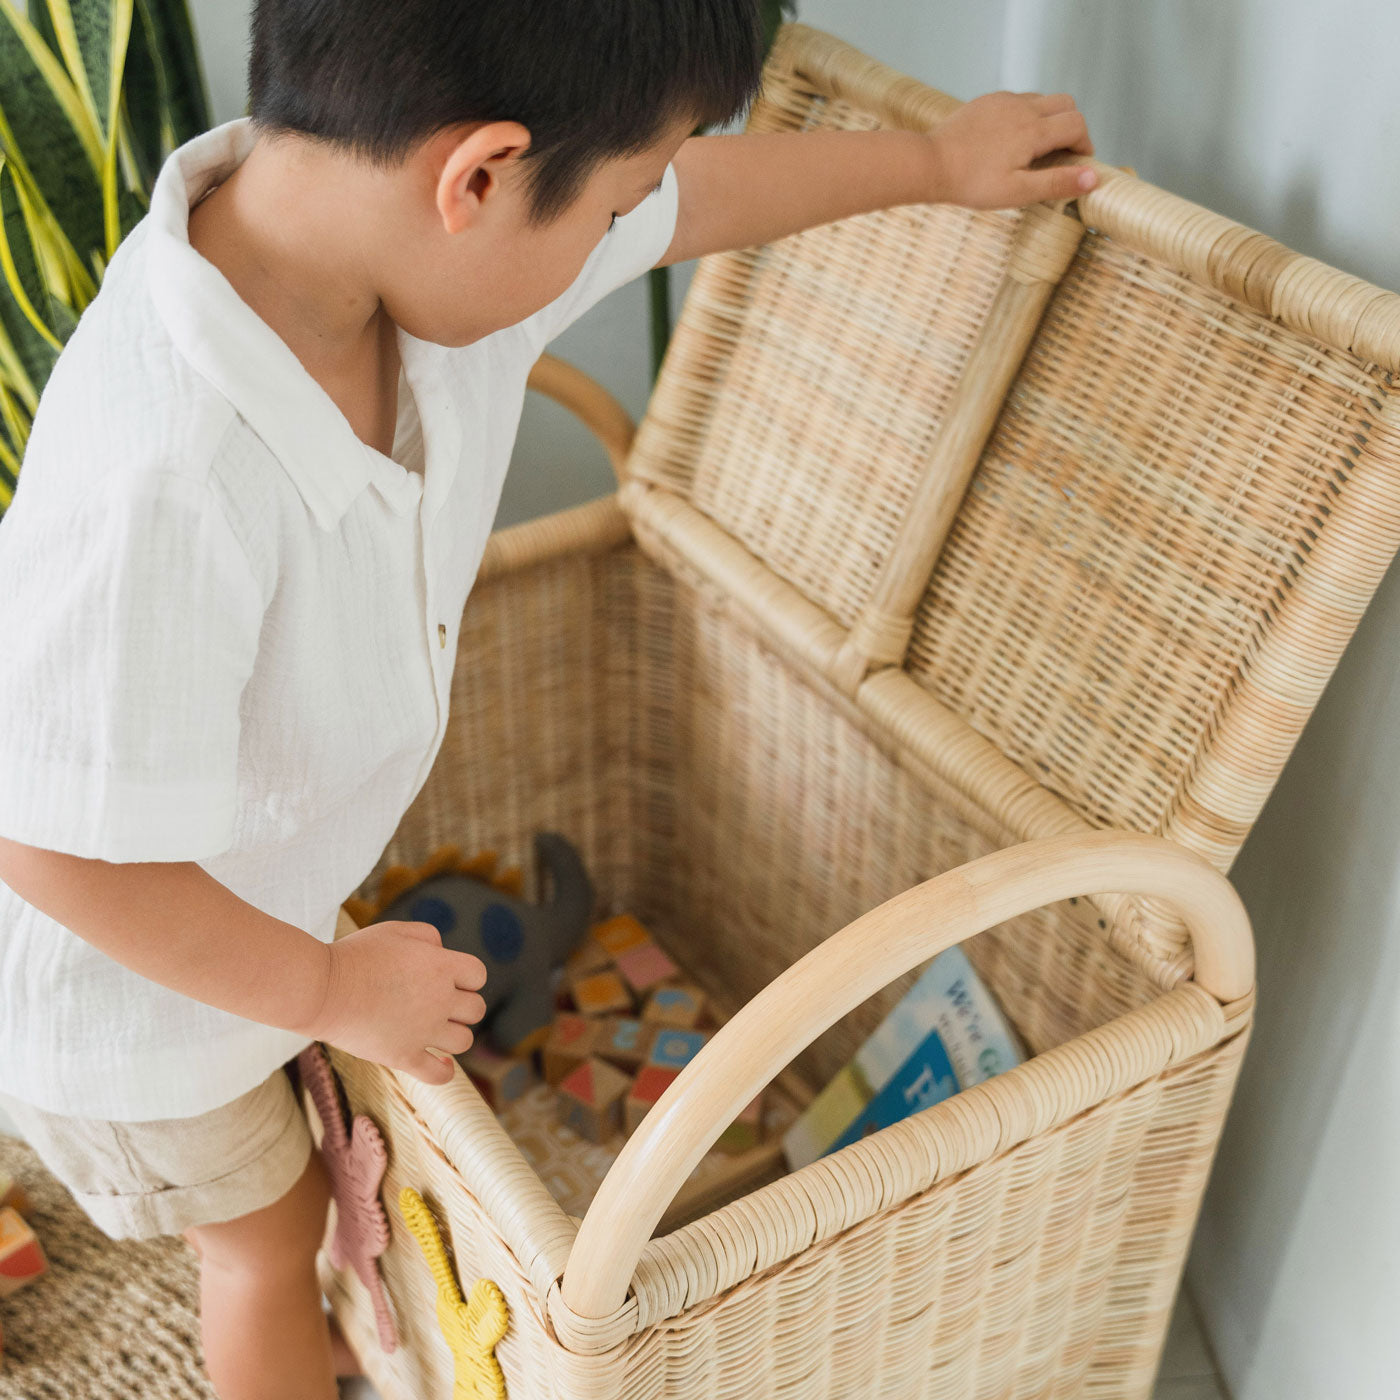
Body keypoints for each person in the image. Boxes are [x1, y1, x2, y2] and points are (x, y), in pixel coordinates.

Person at [0, 2, 1095, 1395]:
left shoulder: (407, 245)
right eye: (613, 202)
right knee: (263, 1242)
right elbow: (54, 846)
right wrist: (326, 987)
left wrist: (935, 162)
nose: (625, 230)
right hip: (130, 1001)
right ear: (480, 176)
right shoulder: (166, 473)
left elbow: (694, 198)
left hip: (239, 915)